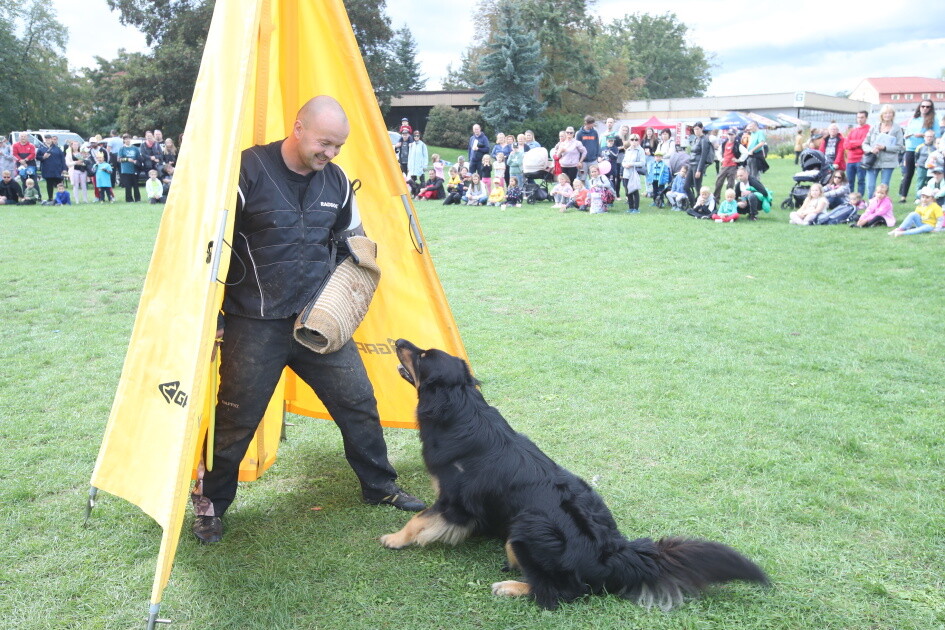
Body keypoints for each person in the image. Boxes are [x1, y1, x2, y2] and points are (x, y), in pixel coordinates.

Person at [190, 96, 424, 544]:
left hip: (319, 322)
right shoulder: (245, 171)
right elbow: (210, 245)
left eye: (338, 146)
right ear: (298, 128)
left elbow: (352, 242)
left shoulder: (336, 181)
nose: (331, 154)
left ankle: (380, 487)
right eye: (325, 143)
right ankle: (210, 505)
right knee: (236, 418)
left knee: (358, 402)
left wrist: (345, 291)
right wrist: (215, 315)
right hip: (252, 322)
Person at [899, 100, 940, 203]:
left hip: (925, 149)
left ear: (931, 108)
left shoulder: (933, 120)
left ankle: (924, 197)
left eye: (928, 107)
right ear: (919, 107)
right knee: (908, 173)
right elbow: (907, 131)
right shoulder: (914, 119)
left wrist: (922, 135)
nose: (925, 108)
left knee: (924, 174)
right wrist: (907, 135)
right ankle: (903, 197)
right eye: (923, 106)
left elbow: (936, 135)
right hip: (910, 148)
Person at [863, 104, 904, 200]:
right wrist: (871, 149)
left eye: (890, 113)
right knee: (870, 186)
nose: (887, 115)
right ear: (881, 115)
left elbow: (900, 147)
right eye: (885, 113)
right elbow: (865, 143)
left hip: (888, 161)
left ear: (893, 115)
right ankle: (871, 204)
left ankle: (882, 206)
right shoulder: (874, 127)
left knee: (884, 186)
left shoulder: (897, 128)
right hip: (872, 161)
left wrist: (885, 147)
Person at [685, 122, 712, 204]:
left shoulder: (704, 140)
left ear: (702, 129)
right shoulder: (696, 139)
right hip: (691, 164)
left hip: (697, 165)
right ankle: (694, 203)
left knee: (698, 187)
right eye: (695, 129)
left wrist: (699, 170)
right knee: (686, 186)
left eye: (697, 129)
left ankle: (703, 204)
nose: (696, 131)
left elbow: (703, 156)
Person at [844, 111, 870, 196]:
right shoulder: (853, 130)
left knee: (861, 181)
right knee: (849, 181)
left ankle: (859, 200)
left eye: (862, 117)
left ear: (866, 118)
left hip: (861, 159)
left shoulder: (869, 129)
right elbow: (845, 144)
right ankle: (849, 199)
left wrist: (852, 143)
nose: (860, 119)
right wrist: (856, 144)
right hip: (850, 160)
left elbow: (864, 142)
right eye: (858, 117)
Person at [37, 135, 67, 203]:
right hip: (47, 169)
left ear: (51, 139)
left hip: (57, 169)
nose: (48, 140)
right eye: (46, 139)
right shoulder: (41, 148)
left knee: (60, 184)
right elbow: (37, 157)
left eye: (49, 138)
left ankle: (62, 198)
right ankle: (50, 198)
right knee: (49, 184)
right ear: (44, 140)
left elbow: (62, 159)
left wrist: (64, 168)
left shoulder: (57, 148)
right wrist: (43, 157)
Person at [714, 128, 740, 201]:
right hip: (724, 165)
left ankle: (729, 199)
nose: (730, 136)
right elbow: (718, 152)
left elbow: (745, 153)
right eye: (729, 134)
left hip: (733, 166)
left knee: (730, 184)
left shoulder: (737, 144)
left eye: (732, 134)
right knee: (719, 182)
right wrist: (721, 159)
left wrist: (738, 160)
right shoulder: (724, 143)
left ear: (735, 135)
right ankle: (716, 198)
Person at [620, 134, 645, 213]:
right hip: (626, 172)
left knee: (634, 190)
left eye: (636, 139)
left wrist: (632, 164)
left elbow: (642, 163)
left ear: (639, 141)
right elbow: (624, 161)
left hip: (634, 173)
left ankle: (636, 208)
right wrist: (625, 165)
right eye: (632, 139)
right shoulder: (628, 150)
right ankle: (630, 207)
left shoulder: (640, 150)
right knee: (627, 191)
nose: (634, 141)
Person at [117, 134, 142, 202]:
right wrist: (127, 159)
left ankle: (137, 198)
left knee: (135, 185)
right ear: (124, 140)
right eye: (126, 139)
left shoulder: (135, 148)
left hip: (134, 168)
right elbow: (119, 159)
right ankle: (129, 199)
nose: (127, 140)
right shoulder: (122, 148)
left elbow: (139, 157)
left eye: (128, 138)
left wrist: (136, 161)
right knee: (128, 185)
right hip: (125, 169)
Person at [912, 129, 937, 198]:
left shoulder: (935, 147)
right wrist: (916, 163)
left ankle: (930, 197)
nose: (929, 138)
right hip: (922, 167)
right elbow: (916, 155)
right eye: (927, 136)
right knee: (920, 182)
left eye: (931, 136)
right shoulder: (920, 146)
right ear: (924, 137)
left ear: (933, 137)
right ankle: (918, 197)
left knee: (931, 182)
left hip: (932, 167)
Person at [576, 116, 600, 181]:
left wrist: (598, 156)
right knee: (582, 178)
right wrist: (579, 160)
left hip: (593, 160)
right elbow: (577, 147)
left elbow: (597, 144)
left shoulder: (594, 132)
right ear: (587, 123)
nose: (593, 125)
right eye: (591, 123)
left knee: (594, 178)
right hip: (583, 162)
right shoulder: (579, 133)